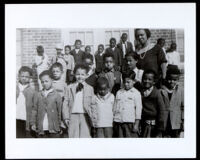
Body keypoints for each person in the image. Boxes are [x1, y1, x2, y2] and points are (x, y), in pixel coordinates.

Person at [62, 64, 95, 138]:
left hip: (85, 115)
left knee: (85, 136)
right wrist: (66, 117)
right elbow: (65, 103)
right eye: (77, 74)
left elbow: (93, 104)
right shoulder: (69, 87)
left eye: (82, 74)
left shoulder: (90, 88)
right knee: (73, 136)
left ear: (86, 75)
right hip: (73, 115)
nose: (80, 76)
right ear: (74, 74)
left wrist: (93, 117)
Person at [30, 70, 63, 138]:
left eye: (46, 81)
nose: (44, 83)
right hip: (41, 128)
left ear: (52, 80)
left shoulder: (57, 95)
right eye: (42, 82)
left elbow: (60, 111)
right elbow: (34, 110)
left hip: (54, 129)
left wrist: (60, 125)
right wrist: (33, 123)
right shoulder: (38, 95)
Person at [113, 70, 142, 138]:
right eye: (124, 82)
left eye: (128, 82)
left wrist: (136, 124)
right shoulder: (119, 92)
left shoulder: (136, 93)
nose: (125, 84)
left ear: (134, 81)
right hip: (119, 122)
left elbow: (138, 109)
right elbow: (115, 107)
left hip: (129, 123)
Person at [140, 70, 165, 138]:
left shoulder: (156, 93)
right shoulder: (140, 92)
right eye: (145, 79)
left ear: (154, 81)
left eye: (149, 79)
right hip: (143, 122)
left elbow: (161, 110)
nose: (147, 81)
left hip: (154, 124)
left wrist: (160, 128)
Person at [160, 65, 184, 138]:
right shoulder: (161, 90)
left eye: (174, 80)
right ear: (166, 78)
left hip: (176, 122)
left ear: (178, 80)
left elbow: (183, 107)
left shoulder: (181, 90)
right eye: (169, 79)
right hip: (164, 122)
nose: (172, 82)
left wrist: (183, 121)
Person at [49, 62, 68, 138]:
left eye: (57, 71)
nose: (55, 73)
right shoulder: (50, 83)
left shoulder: (64, 84)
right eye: (53, 71)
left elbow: (66, 96)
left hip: (61, 105)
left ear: (62, 72)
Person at [16, 66, 36, 138]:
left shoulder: (32, 91)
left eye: (26, 77)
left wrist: (32, 121)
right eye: (22, 76)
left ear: (30, 78)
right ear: (19, 76)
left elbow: (34, 108)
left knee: (24, 136)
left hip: (25, 118)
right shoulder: (14, 88)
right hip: (16, 117)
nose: (24, 78)